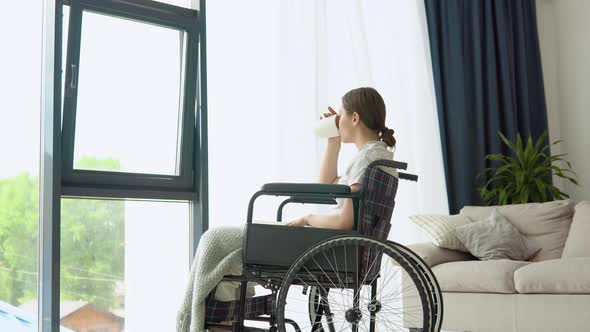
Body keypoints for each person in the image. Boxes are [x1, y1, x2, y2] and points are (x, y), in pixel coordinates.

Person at [179, 87, 397, 332]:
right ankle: (223, 319)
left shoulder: (367, 159)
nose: (338, 121)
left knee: (216, 239)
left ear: (354, 118)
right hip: (345, 248)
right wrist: (333, 142)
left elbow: (346, 220)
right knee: (223, 242)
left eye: (341, 115)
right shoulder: (377, 156)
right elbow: (327, 188)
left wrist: (307, 218)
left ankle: (205, 319)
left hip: (332, 248)